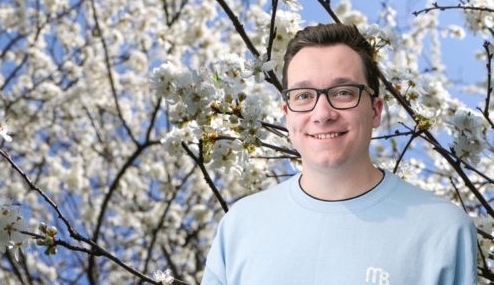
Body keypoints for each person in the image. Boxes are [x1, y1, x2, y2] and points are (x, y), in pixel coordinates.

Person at [201, 23, 478, 285]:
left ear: (375, 111)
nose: (322, 114)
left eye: (343, 92)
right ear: (287, 114)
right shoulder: (241, 224)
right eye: (303, 95)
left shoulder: (443, 229)